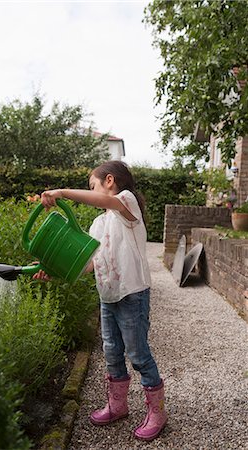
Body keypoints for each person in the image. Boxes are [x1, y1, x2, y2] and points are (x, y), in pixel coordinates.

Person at [35, 160, 167, 441]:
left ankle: (158, 411)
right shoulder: (98, 223)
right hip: (108, 296)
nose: (90, 193)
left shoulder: (127, 204)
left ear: (110, 181)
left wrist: (62, 192)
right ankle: (117, 405)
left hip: (133, 294)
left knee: (138, 354)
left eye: (92, 186)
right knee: (111, 352)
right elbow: (88, 264)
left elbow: (109, 202)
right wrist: (55, 272)